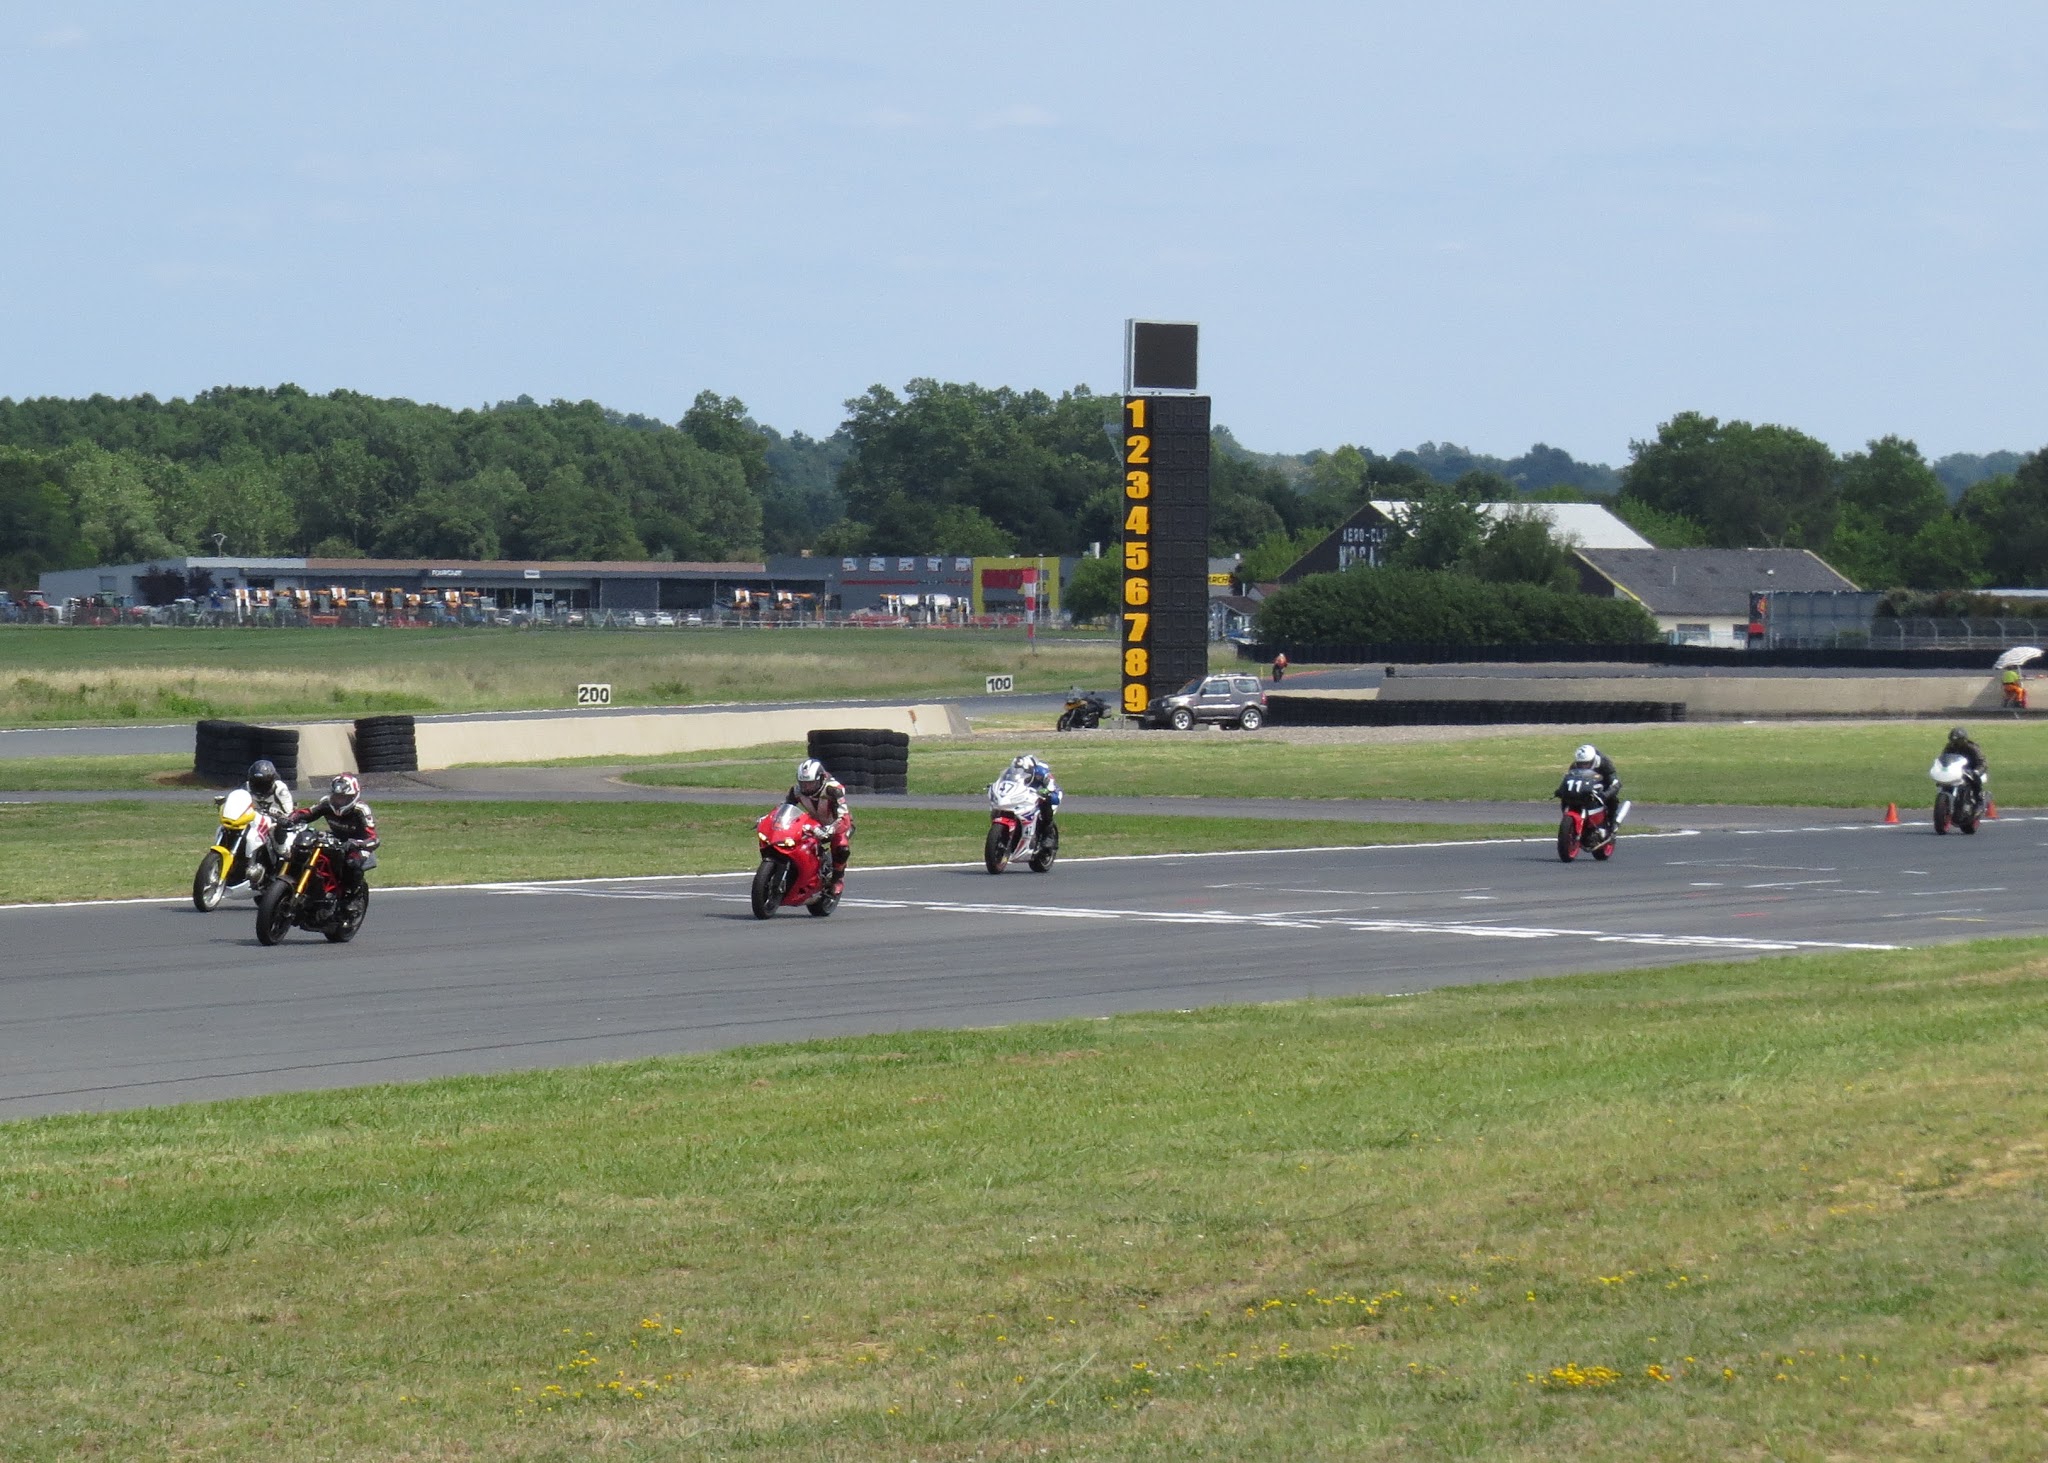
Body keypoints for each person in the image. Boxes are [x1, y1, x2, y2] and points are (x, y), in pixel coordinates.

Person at [286, 773, 379, 895]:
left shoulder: (361, 810)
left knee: (352, 863)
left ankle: (351, 893)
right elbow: (308, 813)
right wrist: (291, 819)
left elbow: (374, 839)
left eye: (343, 798)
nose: (339, 801)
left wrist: (357, 844)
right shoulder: (326, 803)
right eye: (336, 796)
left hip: (358, 844)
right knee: (305, 851)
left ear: (352, 797)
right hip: (336, 838)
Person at [786, 757, 852, 895]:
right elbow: (786, 808)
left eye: (811, 783)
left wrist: (831, 828)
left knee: (841, 847)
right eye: (803, 783)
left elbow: (843, 816)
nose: (806, 787)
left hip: (837, 824)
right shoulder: (796, 791)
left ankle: (837, 879)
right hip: (813, 823)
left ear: (821, 779)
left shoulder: (833, 789)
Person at [1557, 742, 1624, 819]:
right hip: (1584, 786)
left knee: (1612, 799)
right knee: (1566, 797)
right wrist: (1561, 790)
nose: (1583, 766)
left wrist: (1605, 794)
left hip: (1601, 783)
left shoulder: (1605, 764)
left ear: (1593, 760)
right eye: (1580, 764)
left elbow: (1616, 783)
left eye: (1586, 764)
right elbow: (1569, 779)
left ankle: (1612, 821)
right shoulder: (1574, 766)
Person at [1005, 753, 1062, 836]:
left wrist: (1046, 790)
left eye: (1023, 770)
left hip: (1047, 790)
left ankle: (1048, 834)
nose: (1020, 772)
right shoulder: (1013, 772)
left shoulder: (1041, 771)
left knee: (1050, 800)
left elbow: (1051, 785)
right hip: (1027, 791)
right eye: (1017, 769)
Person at [1941, 726, 1987, 799]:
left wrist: (1977, 771)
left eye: (1958, 741)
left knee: (1974, 779)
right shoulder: (1949, 747)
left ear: (1963, 740)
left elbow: (1982, 762)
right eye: (1953, 741)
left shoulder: (1972, 748)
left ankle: (1979, 797)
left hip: (1971, 769)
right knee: (1945, 783)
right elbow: (1944, 758)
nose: (1955, 743)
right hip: (1955, 770)